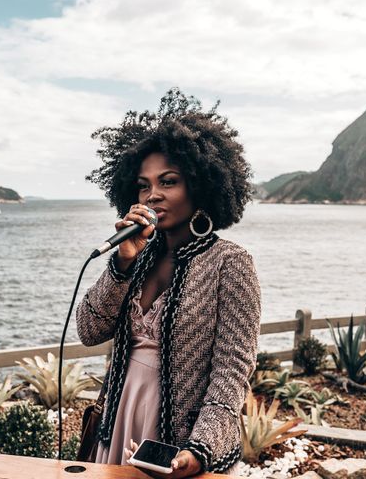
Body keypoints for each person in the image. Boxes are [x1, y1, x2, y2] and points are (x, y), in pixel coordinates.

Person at [75, 88, 261, 477]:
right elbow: (89, 330)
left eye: (169, 181)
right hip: (120, 418)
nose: (153, 194)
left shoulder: (231, 263)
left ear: (200, 186)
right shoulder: (135, 255)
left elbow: (231, 373)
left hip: (182, 441)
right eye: (143, 185)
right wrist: (122, 263)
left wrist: (200, 449)